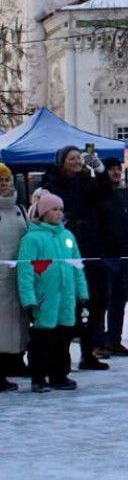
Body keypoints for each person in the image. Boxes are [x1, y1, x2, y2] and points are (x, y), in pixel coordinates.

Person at [42, 145, 108, 371]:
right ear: (62, 162)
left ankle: (88, 352)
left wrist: (100, 171)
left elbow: (104, 195)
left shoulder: (87, 181)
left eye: (79, 158)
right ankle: (61, 356)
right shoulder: (51, 185)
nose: (77, 162)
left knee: (92, 301)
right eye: (72, 158)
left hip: (91, 248)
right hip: (65, 249)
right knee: (68, 304)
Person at [17, 189, 87, 392]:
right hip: (44, 298)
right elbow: (25, 271)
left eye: (61, 209)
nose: (59, 213)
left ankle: (60, 374)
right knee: (42, 340)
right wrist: (28, 299)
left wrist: (82, 293)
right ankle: (38, 376)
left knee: (63, 338)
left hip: (66, 297)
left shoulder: (67, 236)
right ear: (43, 212)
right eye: (54, 209)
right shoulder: (32, 239)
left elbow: (77, 266)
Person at [93, 157, 128, 359]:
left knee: (119, 299)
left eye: (117, 169)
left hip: (125, 252)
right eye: (111, 169)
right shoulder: (100, 194)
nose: (115, 173)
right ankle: (98, 341)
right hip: (105, 254)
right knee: (102, 299)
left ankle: (115, 339)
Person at [0, 163, 28, 391]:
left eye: (6, 180)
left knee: (17, 322)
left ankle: (15, 360)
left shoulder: (19, 208)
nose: (4, 185)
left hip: (18, 274)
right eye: (0, 181)